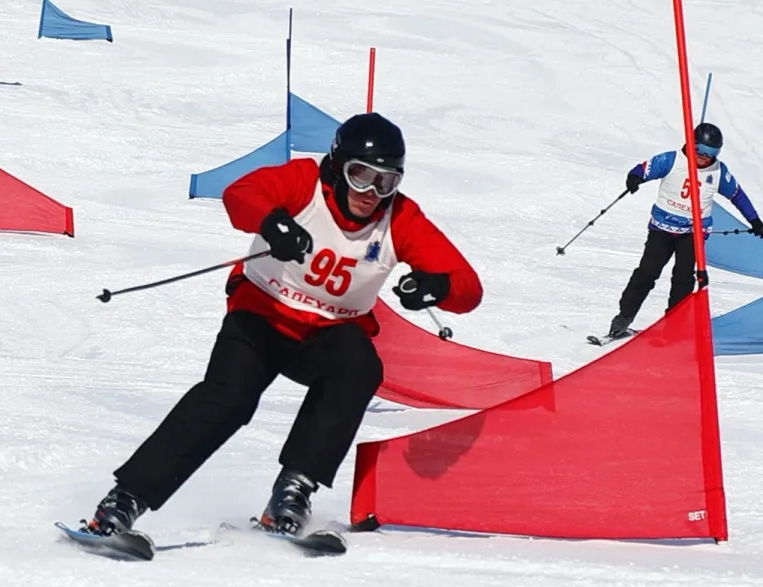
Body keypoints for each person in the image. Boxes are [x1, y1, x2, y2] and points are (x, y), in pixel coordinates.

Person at [78, 112, 482, 543]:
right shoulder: (304, 181)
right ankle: (123, 502)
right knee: (228, 400)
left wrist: (437, 286)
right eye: (360, 175)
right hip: (262, 315)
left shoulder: (399, 218)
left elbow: (468, 289)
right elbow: (241, 195)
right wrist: (273, 222)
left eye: (385, 181)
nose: (370, 193)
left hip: (326, 334)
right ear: (336, 165)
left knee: (359, 366)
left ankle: (293, 491)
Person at [604, 121, 763, 340]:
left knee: (683, 278)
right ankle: (624, 316)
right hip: (662, 229)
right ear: (691, 144)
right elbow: (643, 169)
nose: (704, 156)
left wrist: (754, 220)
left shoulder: (718, 171)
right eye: (701, 150)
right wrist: (635, 178)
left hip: (693, 233)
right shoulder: (672, 160)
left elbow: (737, 195)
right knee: (647, 272)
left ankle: (674, 325)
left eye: (712, 153)